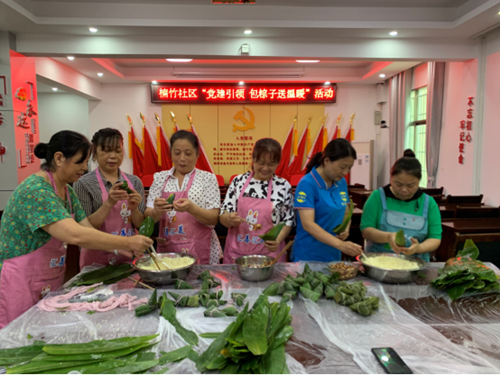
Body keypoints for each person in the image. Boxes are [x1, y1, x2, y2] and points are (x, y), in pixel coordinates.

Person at [0, 131, 153, 328]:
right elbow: (75, 235)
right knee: (20, 341)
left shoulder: (67, 191)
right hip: (21, 283)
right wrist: (128, 242)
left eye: (86, 162)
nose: (84, 168)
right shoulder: (36, 190)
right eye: (80, 162)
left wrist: (120, 249)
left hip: (49, 278)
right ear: (59, 158)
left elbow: (87, 228)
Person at [144, 130, 222, 264]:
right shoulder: (160, 178)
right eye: (177, 153)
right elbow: (149, 217)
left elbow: (214, 218)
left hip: (199, 245)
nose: (182, 158)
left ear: (197, 154)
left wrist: (192, 209)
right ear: (171, 154)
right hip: (168, 246)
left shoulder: (207, 179)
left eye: (188, 153)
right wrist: (156, 211)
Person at [74, 128, 146, 269]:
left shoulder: (135, 182)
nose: (113, 156)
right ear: (94, 153)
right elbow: (85, 227)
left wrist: (134, 208)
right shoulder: (83, 183)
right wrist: (109, 203)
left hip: (129, 254)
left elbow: (140, 225)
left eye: (118, 151)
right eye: (106, 151)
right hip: (97, 257)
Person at [220, 138, 294, 264]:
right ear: (253, 159)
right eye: (261, 162)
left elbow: (287, 221)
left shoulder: (283, 186)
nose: (265, 168)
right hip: (237, 254)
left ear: (278, 163)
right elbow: (223, 215)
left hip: (269, 254)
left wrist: (278, 239)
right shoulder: (238, 182)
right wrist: (229, 219)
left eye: (271, 164)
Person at [361, 149, 441, 261]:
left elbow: (435, 238)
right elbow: (366, 230)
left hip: (416, 265)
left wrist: (418, 248)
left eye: (411, 185)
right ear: (391, 177)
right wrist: (388, 237)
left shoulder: (429, 203)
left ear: (419, 182)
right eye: (398, 184)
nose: (404, 190)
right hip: (379, 263)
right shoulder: (378, 197)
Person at [292, 138, 363, 262]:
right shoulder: (307, 184)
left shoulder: (341, 182)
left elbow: (346, 212)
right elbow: (308, 224)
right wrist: (341, 245)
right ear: (326, 161)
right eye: (342, 167)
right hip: (309, 256)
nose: (345, 172)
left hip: (333, 254)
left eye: (349, 168)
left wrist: (346, 228)